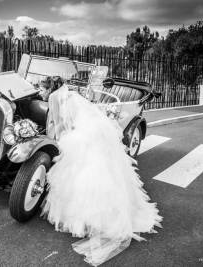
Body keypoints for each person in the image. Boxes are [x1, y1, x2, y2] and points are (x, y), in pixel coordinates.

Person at [42, 84, 162, 266]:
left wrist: (56, 140)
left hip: (86, 133)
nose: (40, 92)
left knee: (83, 170)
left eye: (41, 89)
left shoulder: (54, 97)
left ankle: (89, 219)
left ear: (49, 88)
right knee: (96, 170)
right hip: (94, 129)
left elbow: (59, 123)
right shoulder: (68, 92)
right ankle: (90, 216)